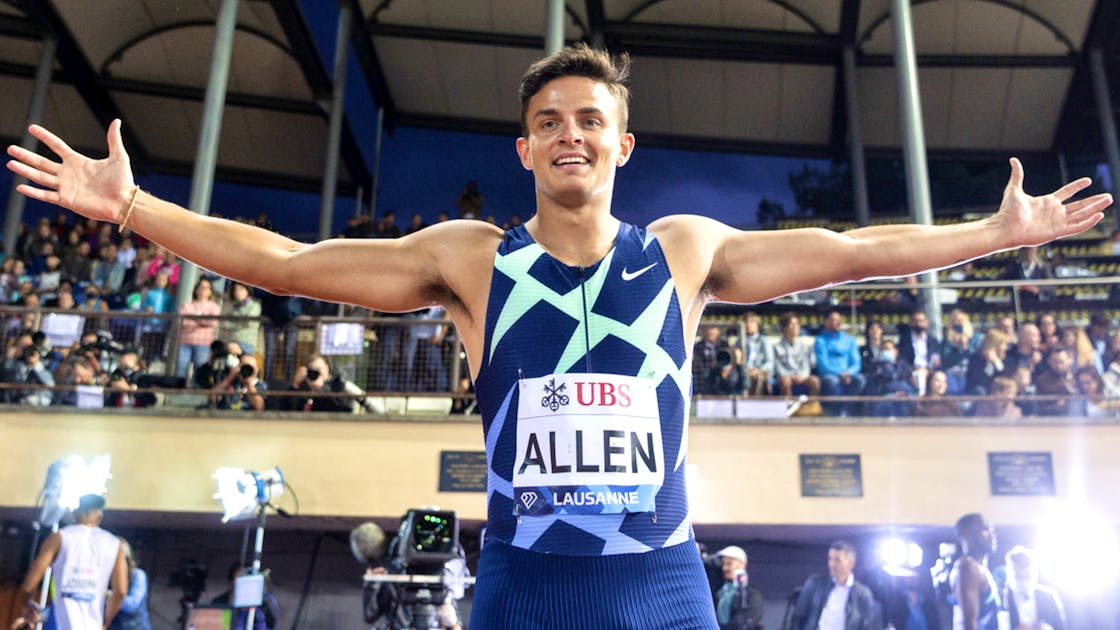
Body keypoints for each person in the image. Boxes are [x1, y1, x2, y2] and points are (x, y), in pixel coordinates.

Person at [6, 42, 1110, 629]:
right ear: (525, 150)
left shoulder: (683, 252)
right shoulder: (470, 259)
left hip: (662, 586)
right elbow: (285, 264)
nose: (569, 133)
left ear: (623, 145)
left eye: (590, 120)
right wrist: (132, 210)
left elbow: (855, 249)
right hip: (524, 590)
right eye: (548, 122)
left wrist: (986, 234)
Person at [13, 494, 128, 630]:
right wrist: (105, 621)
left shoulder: (59, 538)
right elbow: (120, 591)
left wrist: (27, 605)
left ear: (75, 514)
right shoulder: (115, 545)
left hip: (59, 624)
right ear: (99, 517)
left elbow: (29, 584)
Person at [790, 540, 883, 630]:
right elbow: (798, 617)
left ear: (851, 564)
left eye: (837, 560)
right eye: (830, 558)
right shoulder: (815, 584)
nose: (831, 564)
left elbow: (867, 625)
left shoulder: (862, 594)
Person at [950, 513, 1005, 630]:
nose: (992, 535)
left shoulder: (981, 568)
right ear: (967, 534)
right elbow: (969, 623)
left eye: (992, 530)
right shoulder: (968, 567)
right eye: (985, 529)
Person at [1003, 545, 1066, 630]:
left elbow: (1061, 627)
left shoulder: (1049, 596)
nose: (1023, 578)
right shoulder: (1003, 597)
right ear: (1010, 573)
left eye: (1027, 575)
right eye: (1018, 576)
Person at [815, 311, 867, 416]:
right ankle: (835, 411)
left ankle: (847, 409)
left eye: (839, 320)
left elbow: (856, 363)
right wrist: (841, 374)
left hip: (849, 374)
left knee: (861, 379)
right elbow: (823, 365)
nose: (838, 323)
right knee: (832, 381)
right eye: (834, 320)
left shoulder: (850, 340)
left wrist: (848, 373)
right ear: (826, 322)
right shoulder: (820, 340)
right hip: (830, 374)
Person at [211, 563, 280, 630]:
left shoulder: (261, 605)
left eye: (246, 578)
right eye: (239, 577)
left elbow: (270, 625)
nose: (243, 582)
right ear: (231, 581)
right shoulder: (218, 603)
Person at [177, 277, 221, 378]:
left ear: (211, 292)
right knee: (181, 370)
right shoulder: (187, 305)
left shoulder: (214, 307)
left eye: (206, 288)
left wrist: (194, 318)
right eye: (201, 287)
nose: (203, 290)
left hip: (204, 344)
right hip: (185, 342)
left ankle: (197, 392)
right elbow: (185, 322)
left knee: (200, 371)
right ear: (196, 289)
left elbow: (212, 322)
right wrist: (202, 321)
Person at [712, 545, 764, 630]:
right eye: (723, 564)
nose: (725, 568)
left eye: (729, 564)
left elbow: (749, 620)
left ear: (742, 565)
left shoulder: (751, 594)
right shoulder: (719, 591)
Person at [108, 538, 152, 630]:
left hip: (135, 626)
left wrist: (108, 595)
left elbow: (132, 604)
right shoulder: (106, 575)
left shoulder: (138, 575)